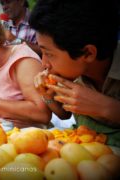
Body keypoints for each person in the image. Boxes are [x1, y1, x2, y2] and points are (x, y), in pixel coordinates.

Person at [30, 0, 120, 146]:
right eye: (43, 53)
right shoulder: (69, 72)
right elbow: (65, 114)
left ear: (88, 53)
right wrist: (47, 96)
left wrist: (106, 107)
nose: (44, 63)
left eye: (49, 54)